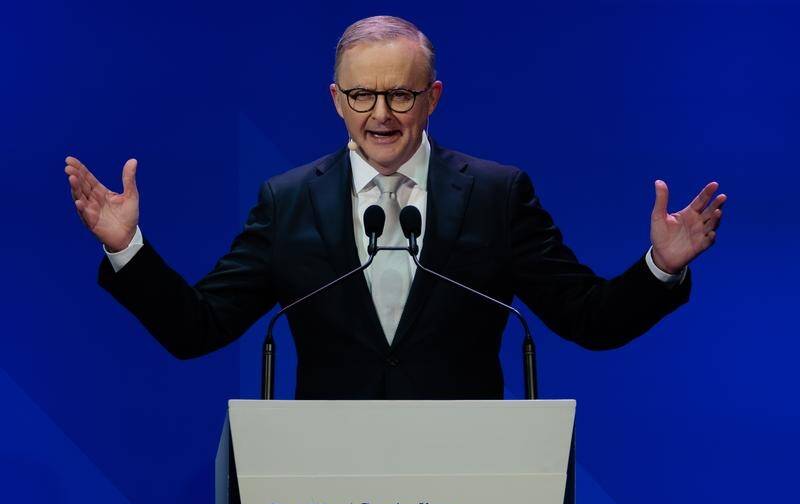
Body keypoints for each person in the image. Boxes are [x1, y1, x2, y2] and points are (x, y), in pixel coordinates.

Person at [64, 16, 726, 400]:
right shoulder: (287, 202)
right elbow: (197, 328)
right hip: (325, 501)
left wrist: (659, 269)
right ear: (334, 99)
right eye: (360, 96)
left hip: (471, 501)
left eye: (400, 96)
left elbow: (590, 319)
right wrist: (128, 249)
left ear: (432, 96)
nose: (379, 115)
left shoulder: (497, 195)